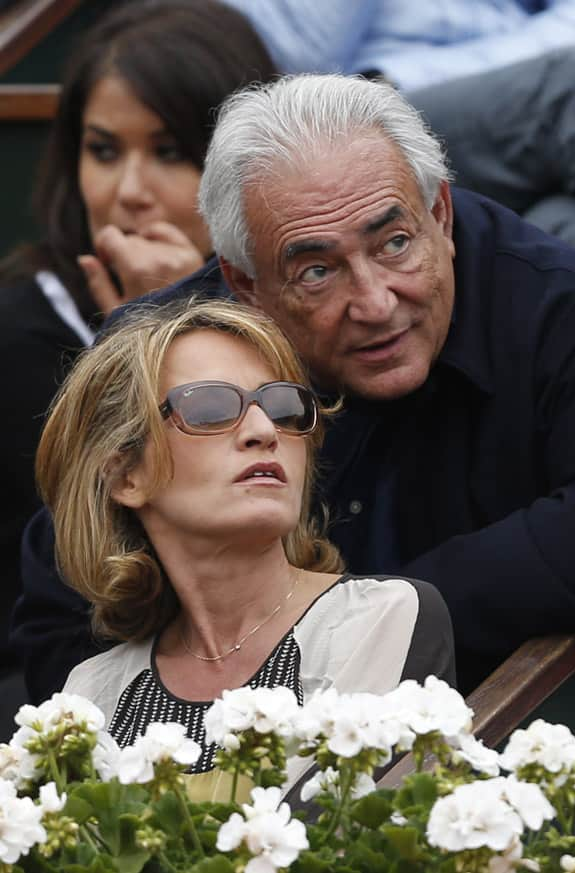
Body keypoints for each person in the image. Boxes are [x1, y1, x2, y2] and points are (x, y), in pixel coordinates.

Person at [13, 74, 575, 699]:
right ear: (246, 284)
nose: (374, 302)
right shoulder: (169, 357)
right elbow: (63, 600)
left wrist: (372, 623)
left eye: (394, 243)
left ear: (440, 214)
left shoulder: (551, 304)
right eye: (316, 271)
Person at [36, 295, 453, 797]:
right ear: (126, 475)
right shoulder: (92, 692)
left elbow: (322, 837)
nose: (263, 432)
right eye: (210, 408)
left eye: (284, 407)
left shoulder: (378, 617)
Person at [0, 0, 276, 727]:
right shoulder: (20, 328)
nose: (128, 190)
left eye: (170, 151)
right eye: (103, 150)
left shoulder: (299, 313)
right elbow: (86, 586)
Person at [222, 0, 575, 253]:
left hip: (514, 66)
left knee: (559, 221)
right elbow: (292, 52)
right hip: (350, 108)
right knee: (568, 90)